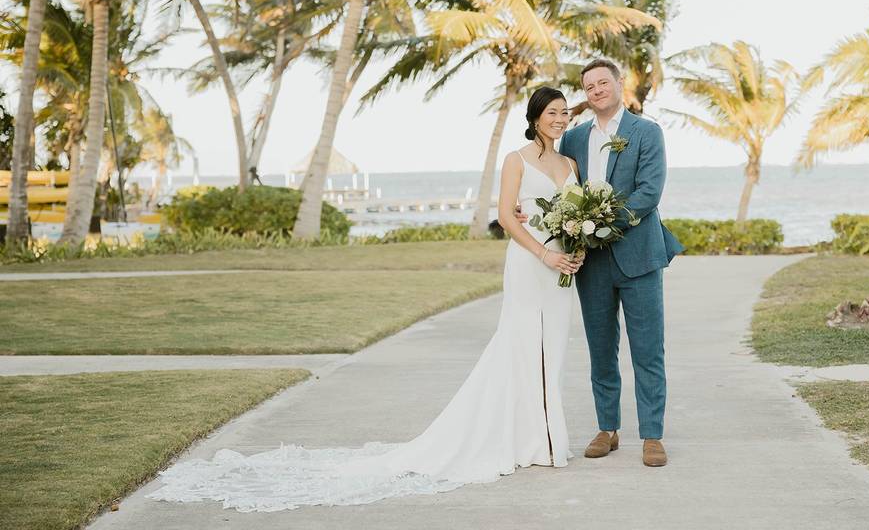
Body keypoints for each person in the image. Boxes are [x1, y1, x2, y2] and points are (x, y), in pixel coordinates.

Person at [146, 86, 584, 512]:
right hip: (530, 263)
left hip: (562, 268)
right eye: (553, 113)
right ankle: (535, 441)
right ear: (534, 118)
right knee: (524, 346)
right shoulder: (516, 160)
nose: (560, 119)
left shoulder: (570, 163)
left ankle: (537, 435)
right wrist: (544, 251)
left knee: (553, 352)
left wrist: (576, 248)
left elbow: (576, 217)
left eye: (565, 112)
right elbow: (507, 216)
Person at [518, 58, 683, 467]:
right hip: (589, 262)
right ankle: (607, 428)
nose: (596, 90)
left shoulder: (646, 132)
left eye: (602, 83)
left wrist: (601, 223)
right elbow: (553, 186)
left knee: (648, 350)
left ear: (618, 84)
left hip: (640, 257)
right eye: (589, 86)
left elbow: (649, 192)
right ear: (585, 94)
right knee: (600, 349)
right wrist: (528, 214)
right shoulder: (572, 139)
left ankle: (652, 435)